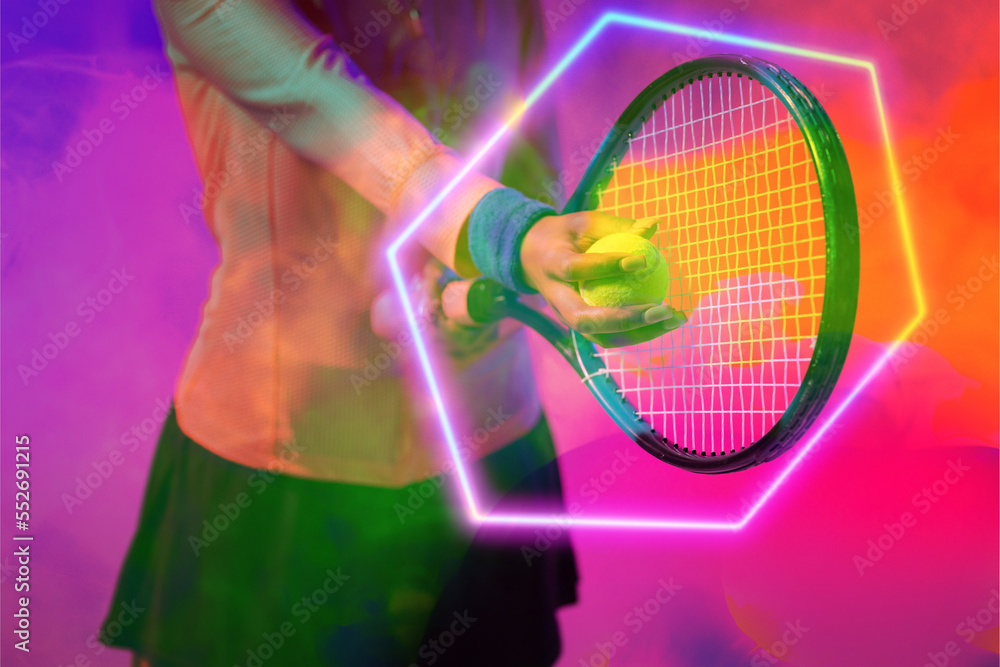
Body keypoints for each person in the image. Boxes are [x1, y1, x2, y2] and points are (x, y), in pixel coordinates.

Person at [100, 1, 681, 665]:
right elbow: (336, 112)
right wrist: (512, 234)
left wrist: (516, 289)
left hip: (492, 452)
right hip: (276, 480)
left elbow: (527, 167)